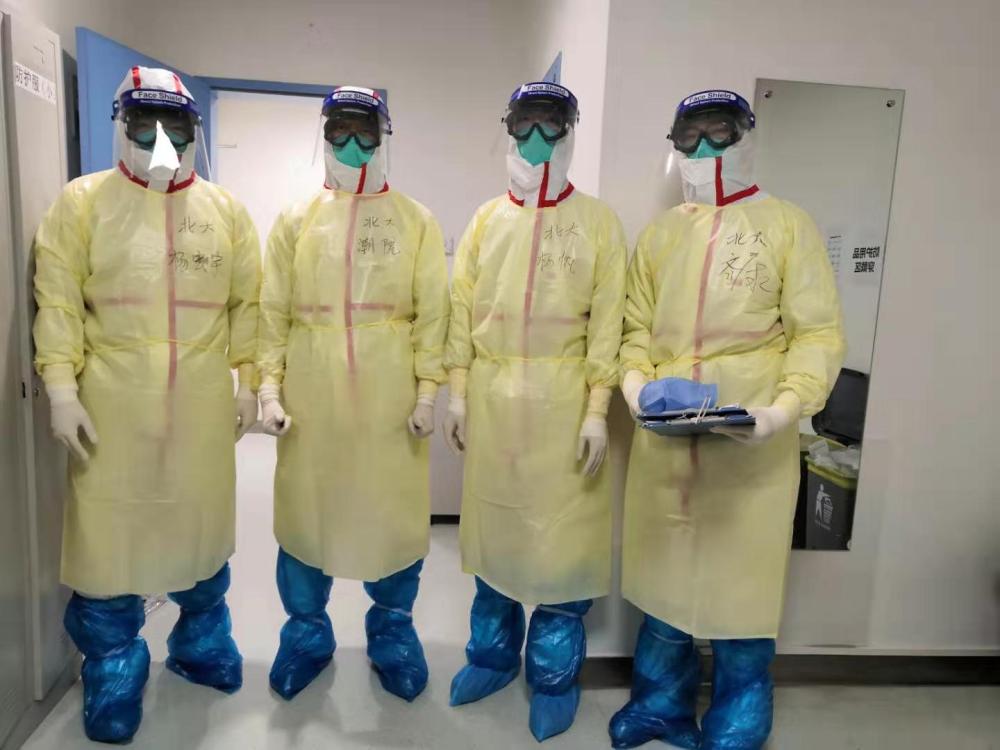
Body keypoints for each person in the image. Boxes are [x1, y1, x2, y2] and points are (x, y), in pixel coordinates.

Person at [610, 89, 846, 750]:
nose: (705, 148)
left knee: (743, 584)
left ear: (747, 136)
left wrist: (782, 410)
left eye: (721, 131)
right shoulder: (661, 235)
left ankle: (738, 716)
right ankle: (658, 705)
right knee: (664, 579)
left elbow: (817, 334)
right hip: (666, 442)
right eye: (690, 135)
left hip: (751, 446)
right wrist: (634, 385)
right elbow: (634, 328)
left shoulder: (788, 226)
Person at [33, 66, 259, 743]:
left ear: (195, 130)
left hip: (199, 406)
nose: (162, 139)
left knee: (199, 528)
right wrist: (61, 387)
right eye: (144, 123)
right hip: (113, 406)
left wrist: (251, 382)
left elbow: (249, 304)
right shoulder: (82, 204)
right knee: (111, 539)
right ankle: (114, 672)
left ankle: (200, 646)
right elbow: (59, 302)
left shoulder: (225, 212)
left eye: (176, 125)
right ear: (120, 125)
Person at [443, 81, 627, 742]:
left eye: (553, 125)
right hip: (494, 403)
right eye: (526, 125)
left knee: (560, 545)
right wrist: (457, 391)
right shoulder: (485, 221)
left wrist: (597, 408)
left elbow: (609, 322)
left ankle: (553, 679)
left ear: (571, 132)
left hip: (565, 404)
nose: (538, 140)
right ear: (509, 128)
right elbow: (460, 311)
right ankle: (491, 659)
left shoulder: (599, 224)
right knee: (496, 537)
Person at [257, 86, 450, 703]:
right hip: (311, 400)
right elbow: (272, 311)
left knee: (390, 517)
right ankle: (306, 637)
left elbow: (433, 315)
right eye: (338, 131)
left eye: (365, 132)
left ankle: (393, 635)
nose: (351, 144)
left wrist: (427, 393)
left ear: (385, 136)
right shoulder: (295, 221)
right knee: (306, 514)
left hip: (390, 402)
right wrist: (268, 387)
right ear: (323, 136)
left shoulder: (416, 221)